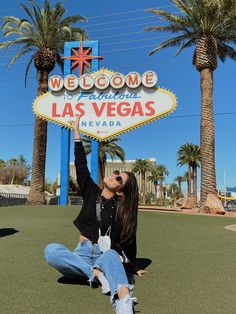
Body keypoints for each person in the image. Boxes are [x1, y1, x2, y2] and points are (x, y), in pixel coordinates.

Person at [45, 116, 146, 314]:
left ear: (121, 191)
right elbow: (81, 164)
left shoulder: (121, 210)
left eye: (119, 178)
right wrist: (76, 132)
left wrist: (133, 265)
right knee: (51, 251)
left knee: (111, 255)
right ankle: (97, 275)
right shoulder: (91, 191)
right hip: (81, 254)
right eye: (116, 172)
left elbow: (129, 240)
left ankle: (124, 301)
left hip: (104, 255)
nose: (113, 175)